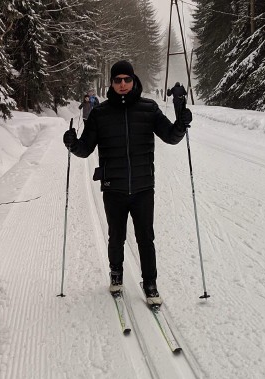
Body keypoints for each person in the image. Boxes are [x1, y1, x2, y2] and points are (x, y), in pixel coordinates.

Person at [63, 60, 193, 305]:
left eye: (127, 79)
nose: (122, 84)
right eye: (117, 80)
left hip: (144, 188)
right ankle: (116, 274)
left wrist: (181, 124)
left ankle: (151, 283)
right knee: (116, 236)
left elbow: (170, 137)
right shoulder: (100, 114)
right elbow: (85, 149)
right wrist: (72, 143)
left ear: (134, 81)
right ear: (112, 83)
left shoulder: (149, 108)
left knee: (146, 237)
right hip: (114, 187)